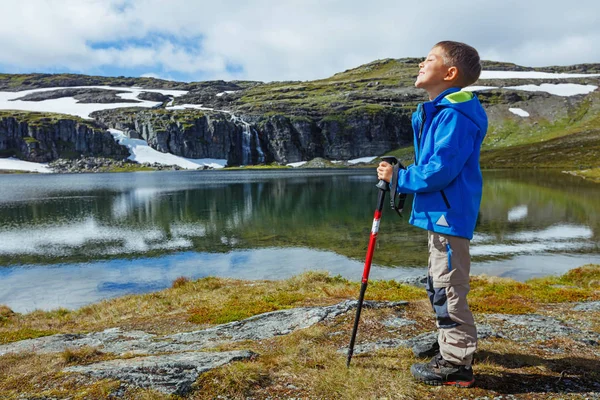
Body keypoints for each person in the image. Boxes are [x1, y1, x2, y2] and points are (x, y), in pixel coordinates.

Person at [377, 41, 488, 388]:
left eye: (429, 60)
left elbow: (441, 169)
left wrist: (400, 177)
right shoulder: (440, 112)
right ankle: (449, 341)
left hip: (448, 216)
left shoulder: (454, 115)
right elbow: (436, 165)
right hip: (440, 214)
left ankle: (456, 364)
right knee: (437, 284)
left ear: (450, 73)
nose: (420, 64)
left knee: (448, 288)